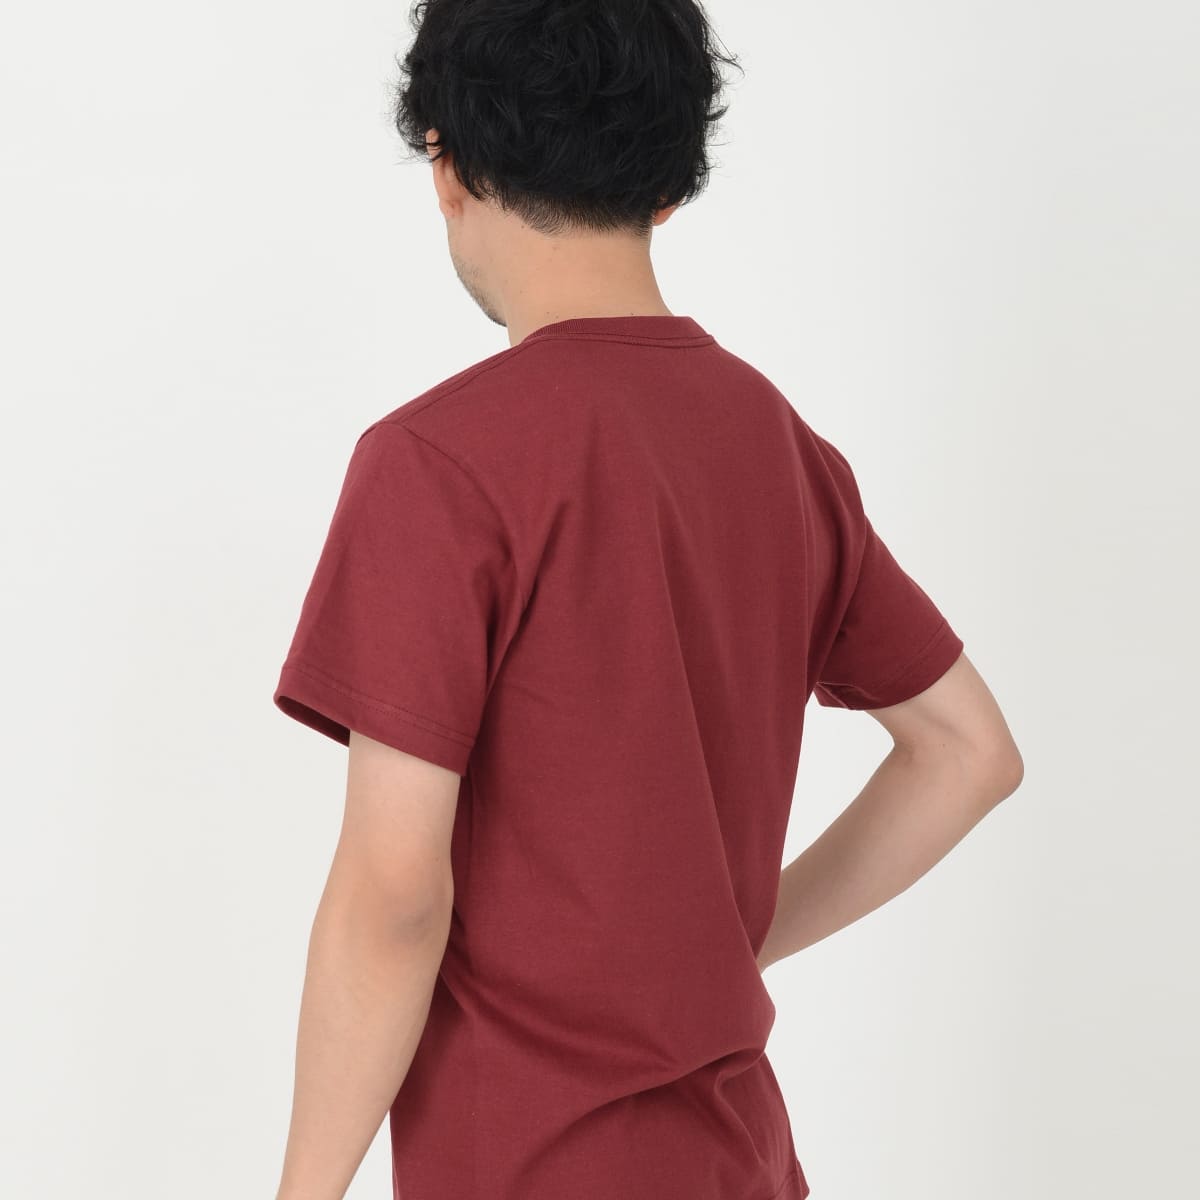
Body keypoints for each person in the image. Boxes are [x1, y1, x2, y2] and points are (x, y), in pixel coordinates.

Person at [270, 2, 1024, 1198]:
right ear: (669, 186)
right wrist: (733, 943)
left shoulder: (439, 465)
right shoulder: (780, 448)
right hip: (743, 1164)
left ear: (447, 165)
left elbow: (395, 896)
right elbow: (970, 752)